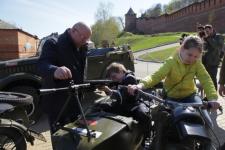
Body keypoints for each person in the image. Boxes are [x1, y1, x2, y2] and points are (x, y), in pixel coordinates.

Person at [127, 35, 220, 149]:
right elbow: (156, 76)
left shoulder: (197, 64)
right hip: (172, 98)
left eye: (196, 56)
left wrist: (213, 99)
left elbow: (206, 79)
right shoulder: (171, 62)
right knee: (163, 122)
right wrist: (140, 85)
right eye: (189, 54)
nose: (192, 59)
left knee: (207, 121)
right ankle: (157, 145)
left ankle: (207, 146)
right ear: (182, 49)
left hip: (190, 96)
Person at [37, 22, 92, 134]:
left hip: (75, 102)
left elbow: (81, 71)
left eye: (87, 38)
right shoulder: (53, 43)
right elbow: (42, 64)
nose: (85, 41)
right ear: (73, 31)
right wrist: (54, 70)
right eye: (83, 37)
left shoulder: (82, 47)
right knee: (60, 139)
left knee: (76, 137)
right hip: (57, 105)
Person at [99, 62, 151, 142]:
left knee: (143, 115)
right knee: (101, 106)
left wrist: (109, 90)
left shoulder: (129, 78)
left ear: (121, 71)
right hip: (123, 105)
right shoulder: (118, 81)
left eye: (114, 76)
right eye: (111, 78)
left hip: (133, 104)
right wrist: (106, 89)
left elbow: (123, 95)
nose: (113, 79)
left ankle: (146, 137)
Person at [201, 24, 224, 90]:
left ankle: (214, 96)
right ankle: (208, 96)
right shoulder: (206, 38)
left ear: (212, 29)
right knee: (206, 80)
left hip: (213, 62)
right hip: (205, 62)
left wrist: (209, 38)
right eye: (206, 31)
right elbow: (203, 50)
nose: (207, 33)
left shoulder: (219, 37)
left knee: (213, 79)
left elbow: (217, 47)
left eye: (208, 31)